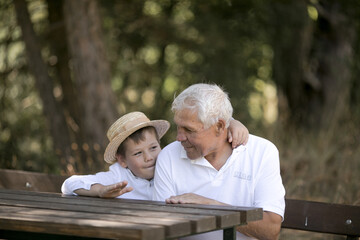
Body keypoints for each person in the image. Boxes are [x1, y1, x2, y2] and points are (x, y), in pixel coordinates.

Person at [152, 83, 285, 240]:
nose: (179, 137)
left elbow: (270, 229)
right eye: (178, 127)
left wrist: (209, 206)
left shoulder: (262, 152)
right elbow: (160, 228)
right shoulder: (168, 156)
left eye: (189, 130)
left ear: (220, 126)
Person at [61, 111, 249, 199]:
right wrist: (100, 190)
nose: (149, 157)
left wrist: (232, 122)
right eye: (137, 153)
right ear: (122, 160)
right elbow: (69, 184)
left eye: (153, 148)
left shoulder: (172, 162)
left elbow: (203, 127)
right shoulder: (119, 177)